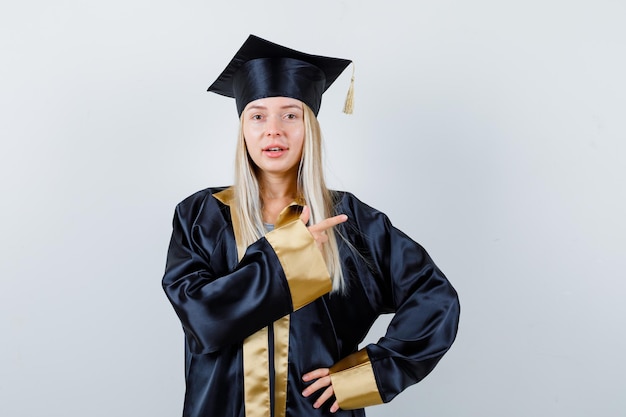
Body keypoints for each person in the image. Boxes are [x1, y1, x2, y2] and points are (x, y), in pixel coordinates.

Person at [162, 34, 460, 417]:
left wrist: (362, 377)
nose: (274, 130)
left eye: (290, 114)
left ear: (310, 127)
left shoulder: (349, 221)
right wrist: (291, 257)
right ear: (243, 129)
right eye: (258, 116)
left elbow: (435, 298)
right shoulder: (201, 216)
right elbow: (203, 319)